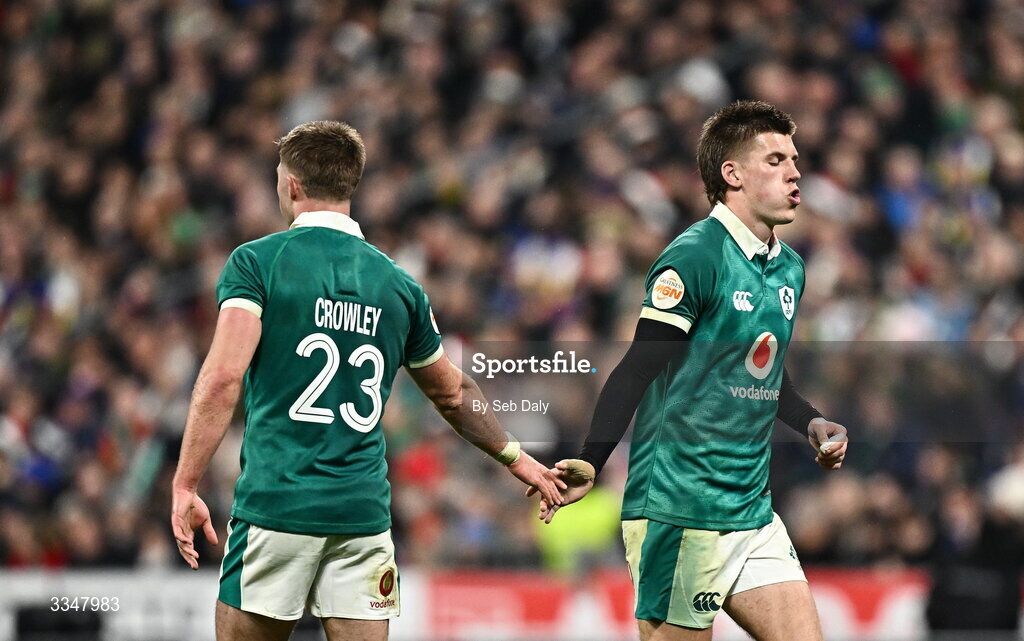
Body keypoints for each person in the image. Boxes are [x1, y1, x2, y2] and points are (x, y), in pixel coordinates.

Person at [170, 120, 565, 641]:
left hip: (277, 505)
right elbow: (453, 392)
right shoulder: (399, 286)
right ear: (350, 186)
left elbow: (223, 379)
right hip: (362, 516)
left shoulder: (258, 263)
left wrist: (186, 482)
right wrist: (519, 458)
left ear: (291, 184)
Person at [532, 101, 850, 641]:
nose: (796, 172)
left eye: (794, 159)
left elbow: (763, 372)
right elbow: (636, 369)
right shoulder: (695, 257)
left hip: (750, 510)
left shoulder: (790, 267)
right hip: (678, 510)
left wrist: (810, 420)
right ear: (734, 175)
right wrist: (590, 460)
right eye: (776, 160)